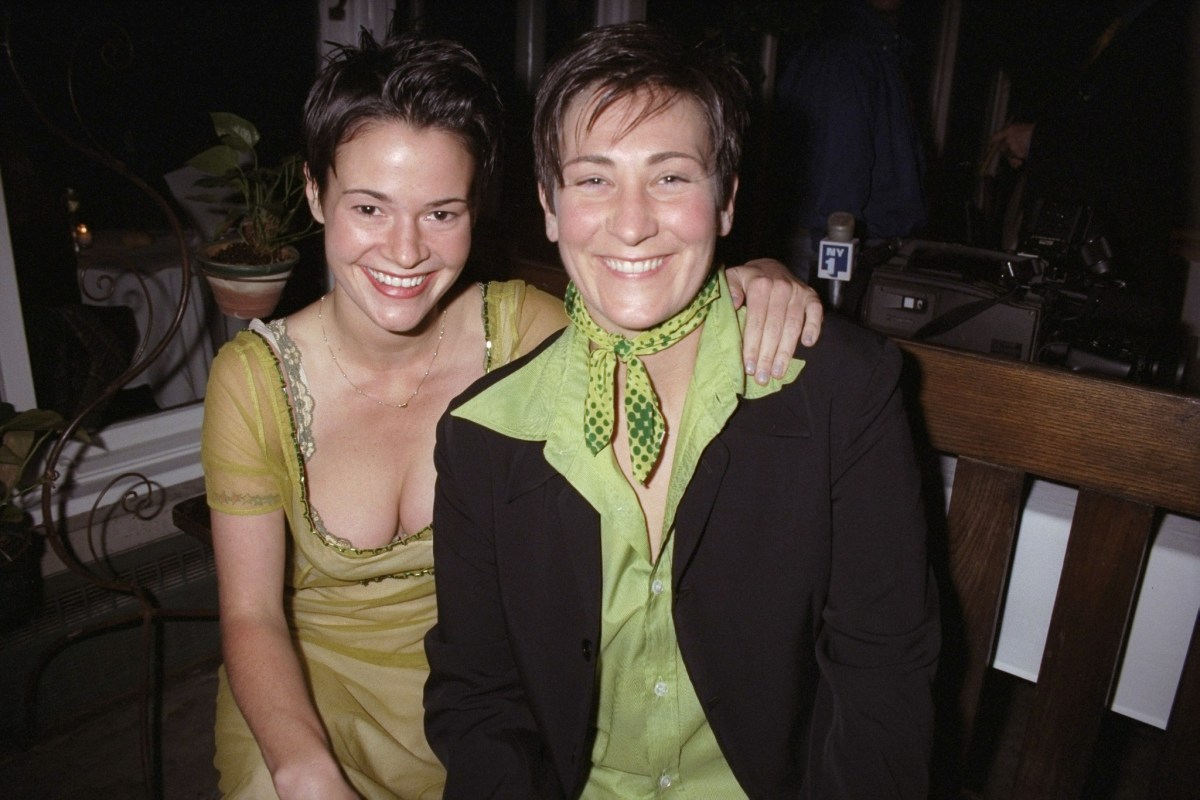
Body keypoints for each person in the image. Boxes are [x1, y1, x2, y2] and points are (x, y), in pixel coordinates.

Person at [200, 28, 824, 800]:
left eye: (441, 213)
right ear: (315, 193)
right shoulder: (251, 381)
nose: (404, 251)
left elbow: (658, 313)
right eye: (369, 207)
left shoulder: (528, 332)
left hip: (489, 701)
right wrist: (304, 770)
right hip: (307, 706)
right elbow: (252, 617)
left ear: (478, 211)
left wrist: (754, 278)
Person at [425, 21, 940, 799]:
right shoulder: (481, 437)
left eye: (670, 177)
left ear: (725, 201)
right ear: (549, 206)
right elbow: (480, 697)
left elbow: (882, 676)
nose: (632, 223)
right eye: (594, 179)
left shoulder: (844, 391)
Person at [774, 0, 926, 285]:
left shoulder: (878, 48)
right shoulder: (846, 53)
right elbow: (838, 175)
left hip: (866, 248)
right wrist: (835, 282)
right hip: (844, 250)